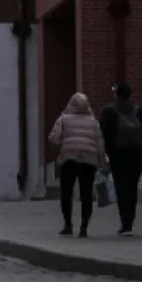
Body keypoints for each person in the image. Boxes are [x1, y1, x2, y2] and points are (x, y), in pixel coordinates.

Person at [99, 82, 142, 235]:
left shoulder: (108, 112)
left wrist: (105, 152)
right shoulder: (139, 112)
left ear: (116, 94)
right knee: (132, 186)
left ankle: (125, 224)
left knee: (121, 186)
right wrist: (140, 147)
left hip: (118, 155)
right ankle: (130, 220)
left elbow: (102, 134)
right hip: (136, 154)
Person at [48, 92, 106, 237]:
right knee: (86, 194)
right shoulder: (93, 122)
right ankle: (84, 228)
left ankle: (68, 224)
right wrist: (102, 160)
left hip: (69, 158)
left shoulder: (64, 119)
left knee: (66, 192)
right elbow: (100, 143)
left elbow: (54, 138)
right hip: (89, 160)